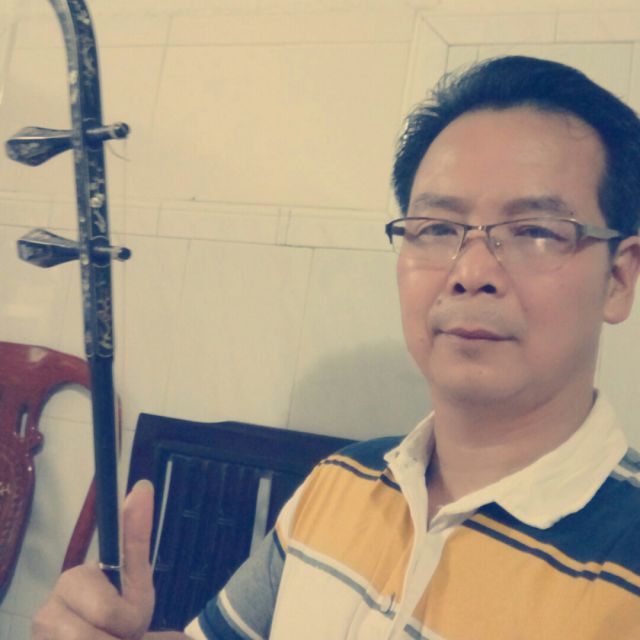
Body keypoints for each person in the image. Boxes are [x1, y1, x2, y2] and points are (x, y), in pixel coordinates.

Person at [33, 55, 640, 640]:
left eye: (535, 231)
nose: (471, 272)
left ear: (618, 278)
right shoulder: (341, 483)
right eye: (436, 228)